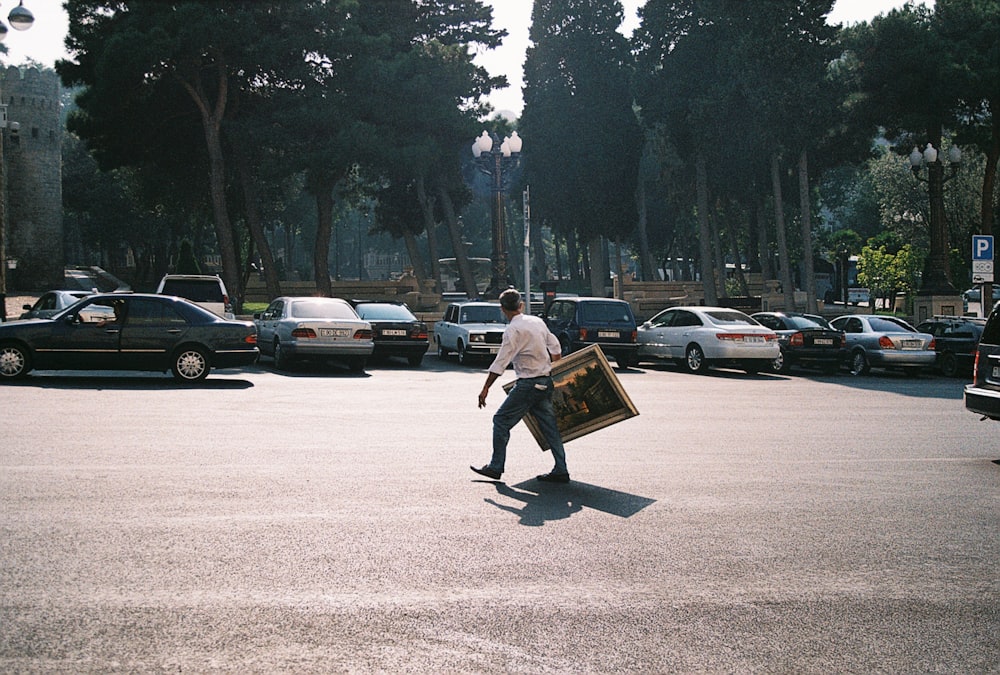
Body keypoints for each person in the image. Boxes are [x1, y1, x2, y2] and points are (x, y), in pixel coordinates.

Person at [471, 288, 570, 483]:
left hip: (528, 383)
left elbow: (501, 362)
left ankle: (495, 466)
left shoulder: (512, 330)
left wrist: (486, 388)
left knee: (501, 420)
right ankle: (561, 469)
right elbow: (555, 347)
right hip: (544, 381)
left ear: (502, 309)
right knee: (550, 427)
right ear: (521, 305)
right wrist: (555, 368)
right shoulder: (537, 322)